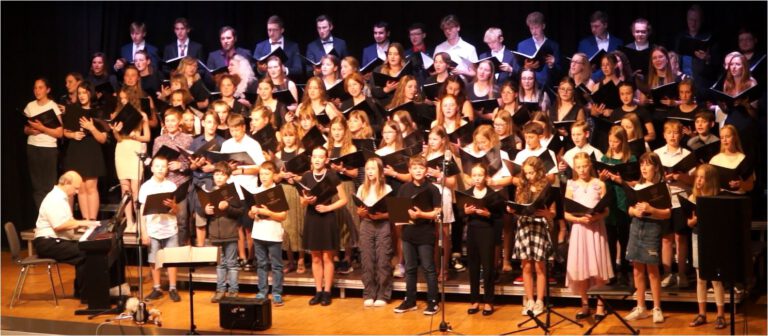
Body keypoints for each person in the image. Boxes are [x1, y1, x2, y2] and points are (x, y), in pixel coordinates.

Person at [564, 152, 613, 321]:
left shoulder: (599, 183)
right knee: (581, 267)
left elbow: (606, 210)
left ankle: (600, 306)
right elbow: (566, 213)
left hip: (596, 229)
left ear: (590, 165)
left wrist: (596, 217)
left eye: (584, 166)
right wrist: (578, 218)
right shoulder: (571, 185)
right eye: (578, 167)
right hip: (579, 230)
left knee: (598, 266)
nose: (582, 170)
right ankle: (585, 305)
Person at [300, 146, 349, 306]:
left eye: (321, 157)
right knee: (315, 257)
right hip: (312, 217)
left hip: (327, 217)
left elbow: (344, 199)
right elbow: (301, 202)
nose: (317, 159)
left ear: (326, 159)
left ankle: (327, 291)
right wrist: (307, 200)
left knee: (327, 257)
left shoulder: (331, 175)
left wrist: (328, 207)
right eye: (315, 156)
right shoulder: (306, 176)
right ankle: (318, 291)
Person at [624, 152, 670, 323]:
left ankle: (657, 307)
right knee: (637, 269)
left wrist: (652, 210)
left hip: (652, 227)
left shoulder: (663, 187)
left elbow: (667, 213)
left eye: (648, 164)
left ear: (656, 167)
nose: (643, 167)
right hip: (636, 226)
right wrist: (634, 211)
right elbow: (629, 208)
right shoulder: (637, 187)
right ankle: (640, 306)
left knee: (652, 269)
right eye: (642, 164)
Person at [392, 156, 441, 315]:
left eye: (421, 168)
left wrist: (421, 215)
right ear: (410, 170)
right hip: (409, 233)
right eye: (415, 168)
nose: (418, 171)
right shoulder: (404, 188)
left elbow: (438, 213)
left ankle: (433, 301)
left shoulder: (432, 189)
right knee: (410, 268)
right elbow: (398, 213)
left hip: (426, 232)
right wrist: (400, 218)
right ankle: (410, 300)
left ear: (426, 171)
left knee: (428, 268)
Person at [32, 171, 94, 298]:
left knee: (88, 250)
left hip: (53, 240)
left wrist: (82, 225)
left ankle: (83, 293)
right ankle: (87, 295)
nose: (77, 192)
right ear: (66, 183)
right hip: (47, 243)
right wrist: (84, 223)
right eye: (76, 188)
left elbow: (67, 222)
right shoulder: (55, 199)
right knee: (86, 253)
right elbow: (59, 225)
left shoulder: (61, 198)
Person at [221, 113, 267, 269]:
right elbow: (223, 167)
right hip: (232, 189)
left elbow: (261, 168)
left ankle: (252, 257)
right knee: (237, 226)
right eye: (232, 130)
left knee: (249, 226)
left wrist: (240, 171)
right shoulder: (227, 144)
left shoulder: (253, 144)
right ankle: (241, 257)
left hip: (249, 189)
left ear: (243, 127)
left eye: (237, 129)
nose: (234, 133)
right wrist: (229, 169)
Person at [508, 156, 552, 316]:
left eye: (532, 173)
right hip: (524, 226)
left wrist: (547, 213)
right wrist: (513, 210)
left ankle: (540, 300)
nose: (529, 176)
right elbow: (518, 206)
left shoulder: (546, 187)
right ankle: (529, 299)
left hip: (539, 226)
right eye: (526, 173)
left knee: (540, 266)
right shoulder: (521, 186)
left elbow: (553, 212)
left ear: (539, 171)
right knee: (526, 266)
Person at [686, 164, 727, 329]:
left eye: (702, 177)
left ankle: (720, 315)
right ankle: (702, 313)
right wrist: (693, 221)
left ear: (710, 180)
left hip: (713, 239)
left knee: (716, 279)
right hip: (697, 237)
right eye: (697, 177)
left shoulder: (718, 198)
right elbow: (688, 222)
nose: (699, 180)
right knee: (700, 277)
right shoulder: (692, 198)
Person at [598, 126, 637, 285]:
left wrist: (620, 181)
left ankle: (626, 270)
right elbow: (599, 182)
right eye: (610, 141)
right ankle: (612, 271)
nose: (612, 144)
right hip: (610, 201)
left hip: (623, 200)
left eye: (616, 141)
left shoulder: (630, 159)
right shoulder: (605, 159)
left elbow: (635, 183)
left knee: (624, 237)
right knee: (611, 238)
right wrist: (602, 178)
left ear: (623, 141)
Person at [139, 155, 181, 302]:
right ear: (151, 168)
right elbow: (142, 212)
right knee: (154, 259)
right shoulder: (145, 187)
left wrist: (173, 206)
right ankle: (156, 287)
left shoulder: (171, 186)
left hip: (170, 227)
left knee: (171, 259)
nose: (160, 169)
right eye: (157, 166)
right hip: (153, 229)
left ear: (167, 169)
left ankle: (173, 287)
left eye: (163, 166)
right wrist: (144, 233)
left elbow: (177, 210)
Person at [62, 82, 107, 221]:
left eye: (84, 92)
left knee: (91, 187)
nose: (81, 96)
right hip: (76, 149)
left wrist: (91, 127)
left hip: (91, 149)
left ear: (90, 93)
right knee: (80, 187)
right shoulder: (72, 110)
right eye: (79, 93)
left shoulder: (98, 112)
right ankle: (85, 221)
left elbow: (103, 139)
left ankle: (92, 220)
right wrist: (73, 135)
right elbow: (64, 132)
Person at [462, 163, 502, 316]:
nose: (477, 178)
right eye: (475, 176)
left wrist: (489, 215)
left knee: (488, 267)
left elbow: (499, 218)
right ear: (471, 178)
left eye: (480, 175)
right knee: (473, 267)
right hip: (473, 231)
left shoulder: (493, 195)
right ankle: (474, 300)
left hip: (488, 232)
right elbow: (460, 215)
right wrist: (465, 212)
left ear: (485, 177)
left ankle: (488, 301)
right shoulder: (467, 193)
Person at [110, 87, 150, 230]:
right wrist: (115, 131)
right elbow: (118, 138)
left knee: (135, 188)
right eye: (121, 98)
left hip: (135, 149)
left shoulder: (142, 115)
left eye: (125, 98)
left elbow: (147, 137)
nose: (123, 101)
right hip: (121, 149)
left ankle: (139, 221)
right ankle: (129, 221)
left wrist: (134, 136)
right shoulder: (117, 114)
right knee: (124, 189)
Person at [152, 107, 193, 245]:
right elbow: (154, 161)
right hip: (164, 183)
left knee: (182, 219)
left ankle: (180, 250)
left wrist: (180, 166)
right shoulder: (159, 140)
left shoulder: (188, 139)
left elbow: (193, 163)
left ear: (179, 122)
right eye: (167, 121)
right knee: (164, 218)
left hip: (181, 183)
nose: (169, 123)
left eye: (173, 120)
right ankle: (165, 249)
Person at [356, 157, 394, 307]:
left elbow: (394, 212)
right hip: (366, 224)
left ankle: (383, 294)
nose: (370, 171)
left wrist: (383, 215)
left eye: (373, 168)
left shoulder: (387, 189)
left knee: (383, 259)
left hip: (383, 224)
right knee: (367, 259)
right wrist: (360, 212)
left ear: (380, 170)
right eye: (367, 169)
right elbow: (359, 209)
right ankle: (369, 293)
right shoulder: (361, 188)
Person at [422, 126, 459, 279]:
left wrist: (438, 175)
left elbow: (453, 182)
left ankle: (444, 269)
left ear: (443, 140)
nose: (432, 142)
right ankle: (434, 267)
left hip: (443, 193)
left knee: (443, 233)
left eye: (435, 139)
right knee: (432, 233)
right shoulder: (425, 155)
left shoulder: (448, 157)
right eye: (430, 139)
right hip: (428, 193)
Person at [250, 161, 288, 306]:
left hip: (273, 233)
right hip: (258, 233)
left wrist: (267, 212)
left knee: (276, 265)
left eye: (267, 174)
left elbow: (283, 216)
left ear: (274, 175)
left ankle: (277, 292)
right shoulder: (255, 191)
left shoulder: (278, 192)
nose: (263, 177)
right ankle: (262, 291)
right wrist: (253, 212)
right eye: (261, 174)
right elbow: (250, 214)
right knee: (261, 264)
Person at [327, 117, 361, 274]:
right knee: (333, 222)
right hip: (330, 187)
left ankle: (347, 258)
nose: (336, 133)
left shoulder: (350, 148)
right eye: (334, 129)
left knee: (347, 220)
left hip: (345, 185)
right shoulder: (327, 147)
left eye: (339, 129)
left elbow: (355, 173)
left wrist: (342, 170)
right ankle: (334, 257)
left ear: (345, 130)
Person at [205, 162, 243, 302]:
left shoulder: (232, 192)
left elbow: (239, 212)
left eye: (222, 175)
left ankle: (233, 290)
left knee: (232, 263)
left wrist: (227, 207)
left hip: (230, 232)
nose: (219, 177)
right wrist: (206, 211)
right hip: (215, 233)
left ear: (227, 176)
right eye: (216, 174)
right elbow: (202, 212)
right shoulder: (209, 192)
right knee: (220, 264)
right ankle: (220, 289)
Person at [24, 78, 64, 209]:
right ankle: (41, 218)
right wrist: (29, 130)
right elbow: (25, 129)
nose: (37, 91)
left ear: (48, 90)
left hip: (48, 149)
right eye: (35, 88)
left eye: (40, 87)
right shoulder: (30, 106)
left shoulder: (52, 106)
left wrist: (43, 128)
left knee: (49, 185)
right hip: (33, 147)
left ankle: (51, 216)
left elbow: (59, 133)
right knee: (37, 185)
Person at [188, 111, 225, 247]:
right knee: (200, 218)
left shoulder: (222, 142)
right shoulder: (196, 142)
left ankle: (218, 253)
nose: (211, 126)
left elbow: (226, 165)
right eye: (209, 122)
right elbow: (190, 166)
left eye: (214, 123)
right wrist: (195, 165)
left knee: (216, 216)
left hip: (215, 182)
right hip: (198, 182)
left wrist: (213, 167)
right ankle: (201, 250)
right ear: (203, 123)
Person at [274, 123, 306, 274]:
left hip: (296, 191)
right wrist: (280, 176)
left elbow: (308, 175)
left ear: (296, 136)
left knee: (298, 224)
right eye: (285, 135)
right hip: (283, 191)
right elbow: (273, 177)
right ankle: (290, 260)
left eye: (291, 135)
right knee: (286, 226)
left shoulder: (301, 152)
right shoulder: (279, 154)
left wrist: (297, 178)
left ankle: (301, 259)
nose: (288, 139)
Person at [516, 11, 561, 89]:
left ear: (543, 26)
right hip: (528, 89)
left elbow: (559, 73)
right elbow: (517, 70)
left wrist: (552, 65)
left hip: (547, 88)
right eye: (531, 28)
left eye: (536, 27)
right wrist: (525, 67)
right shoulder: (522, 45)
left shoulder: (553, 45)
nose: (534, 31)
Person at [577, 11, 624, 81]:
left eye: (596, 26)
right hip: (591, 84)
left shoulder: (618, 43)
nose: (593, 30)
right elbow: (580, 68)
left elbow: (621, 66)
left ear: (605, 25)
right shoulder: (584, 44)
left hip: (613, 83)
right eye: (591, 26)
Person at [252, 15, 302, 81]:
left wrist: (285, 70)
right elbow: (253, 68)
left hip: (286, 83)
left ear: (282, 30)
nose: (271, 33)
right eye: (269, 30)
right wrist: (260, 69)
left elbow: (299, 70)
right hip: (266, 85)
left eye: (275, 30)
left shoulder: (293, 46)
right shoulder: (260, 46)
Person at [709, 125, 755, 194]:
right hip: (718, 197)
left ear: (735, 137)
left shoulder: (743, 159)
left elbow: (750, 186)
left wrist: (740, 184)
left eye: (727, 136)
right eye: (722, 138)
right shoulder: (715, 159)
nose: (724, 140)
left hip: (737, 198)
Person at [434, 14, 477, 78]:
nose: (448, 31)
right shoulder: (439, 48)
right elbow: (434, 72)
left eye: (450, 28)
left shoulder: (469, 48)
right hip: (444, 84)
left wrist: (462, 72)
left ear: (458, 28)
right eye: (445, 29)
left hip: (464, 85)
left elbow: (475, 73)